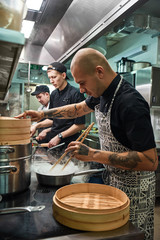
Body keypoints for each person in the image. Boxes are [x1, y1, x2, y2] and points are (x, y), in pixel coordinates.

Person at [15, 48, 158, 240]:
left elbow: (150, 161)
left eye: (82, 83)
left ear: (99, 71)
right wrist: (43, 114)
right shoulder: (102, 92)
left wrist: (93, 154)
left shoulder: (130, 102)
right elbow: (78, 109)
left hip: (136, 192)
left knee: (131, 235)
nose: (81, 89)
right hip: (113, 181)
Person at [30, 61, 85, 148]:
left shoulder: (75, 93)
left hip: (68, 143)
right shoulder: (54, 94)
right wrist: (37, 126)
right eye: (50, 78)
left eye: (54, 77)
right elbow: (52, 120)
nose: (51, 81)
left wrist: (60, 136)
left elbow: (80, 125)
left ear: (63, 75)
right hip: (54, 142)